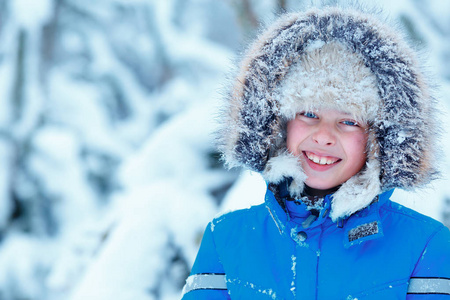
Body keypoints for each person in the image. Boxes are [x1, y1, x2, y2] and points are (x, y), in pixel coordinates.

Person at [181, 5, 450, 300]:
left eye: (348, 121)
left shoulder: (424, 245)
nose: (323, 136)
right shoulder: (227, 239)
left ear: (378, 140)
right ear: (280, 125)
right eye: (308, 114)